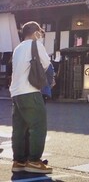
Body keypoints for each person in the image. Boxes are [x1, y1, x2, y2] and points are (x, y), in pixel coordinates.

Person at [10, 21, 53, 174]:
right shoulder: (36, 45)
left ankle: (19, 161)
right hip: (30, 91)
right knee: (38, 125)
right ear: (35, 33)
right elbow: (46, 64)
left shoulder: (18, 48)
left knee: (20, 128)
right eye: (39, 33)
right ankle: (34, 161)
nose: (40, 36)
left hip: (16, 92)